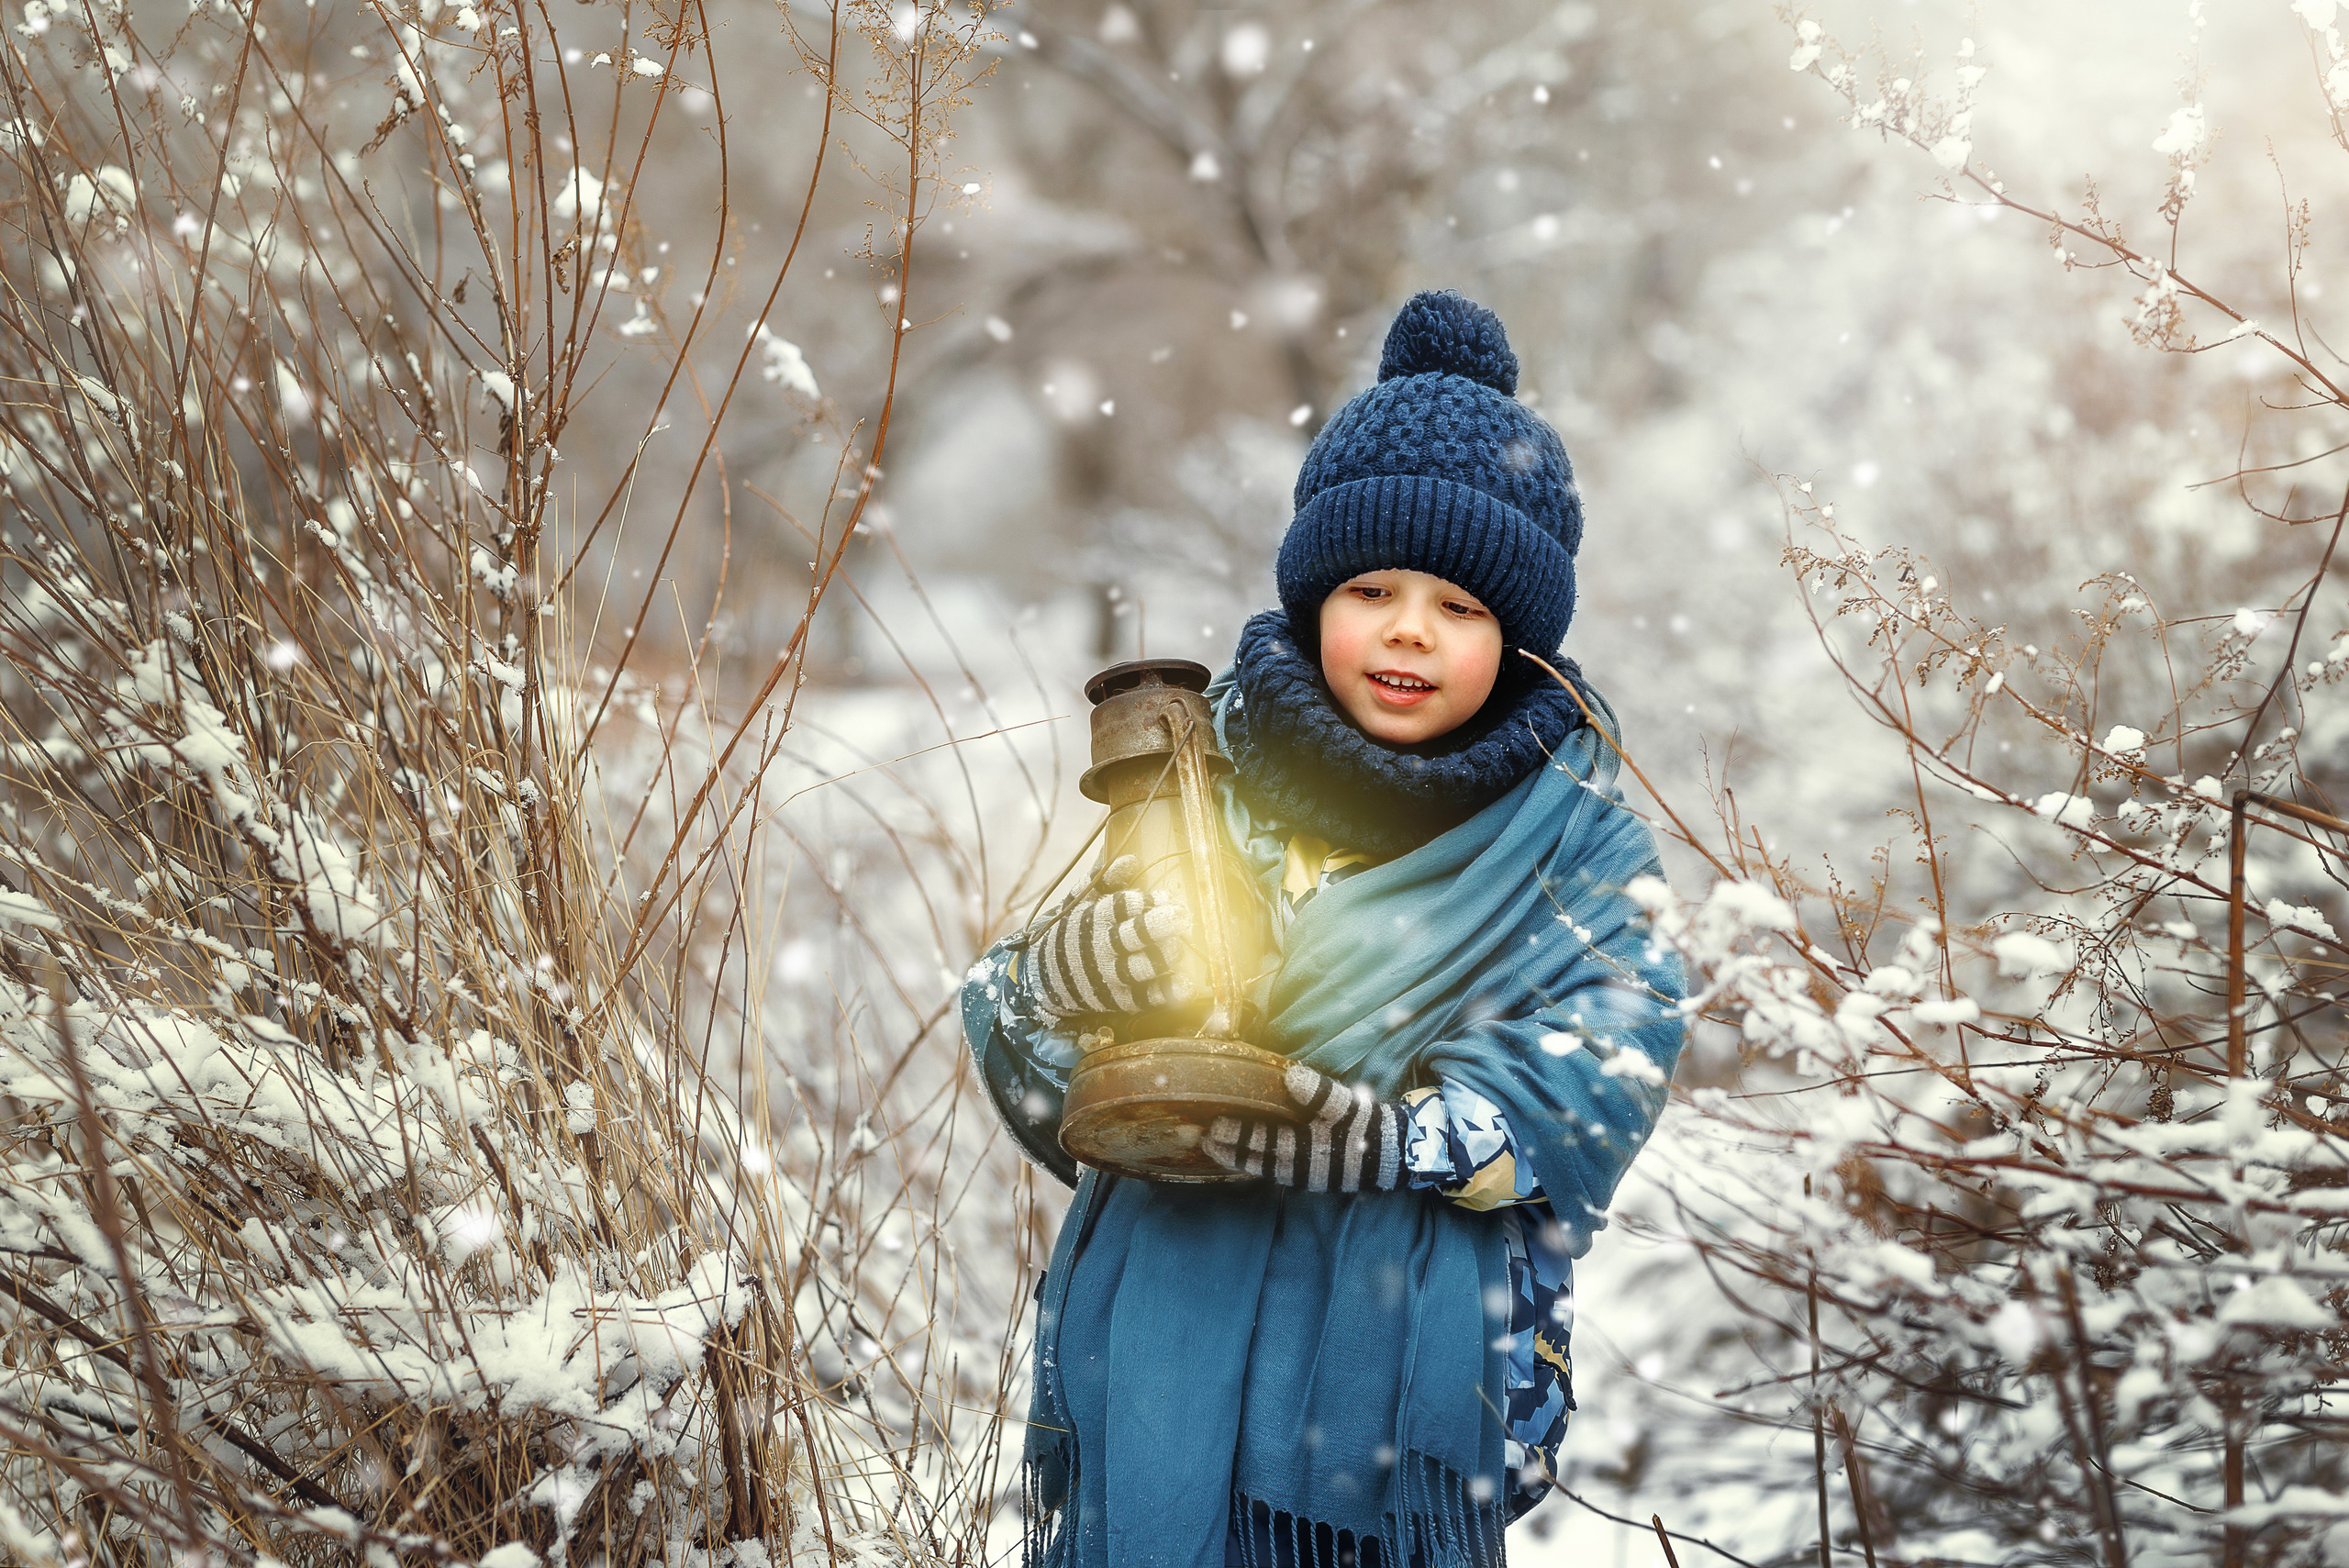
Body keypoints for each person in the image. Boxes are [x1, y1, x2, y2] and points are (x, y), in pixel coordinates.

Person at [962, 290, 1686, 1568]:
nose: (1412, 627)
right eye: (1372, 586)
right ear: (1311, 600)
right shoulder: (1200, 781)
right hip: (1159, 1339)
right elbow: (1062, 1084)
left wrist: (1390, 1137)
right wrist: (1063, 981)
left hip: (1385, 1407)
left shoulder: (1572, 838)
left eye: (1461, 608)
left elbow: (1612, 1051)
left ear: (1519, 641)